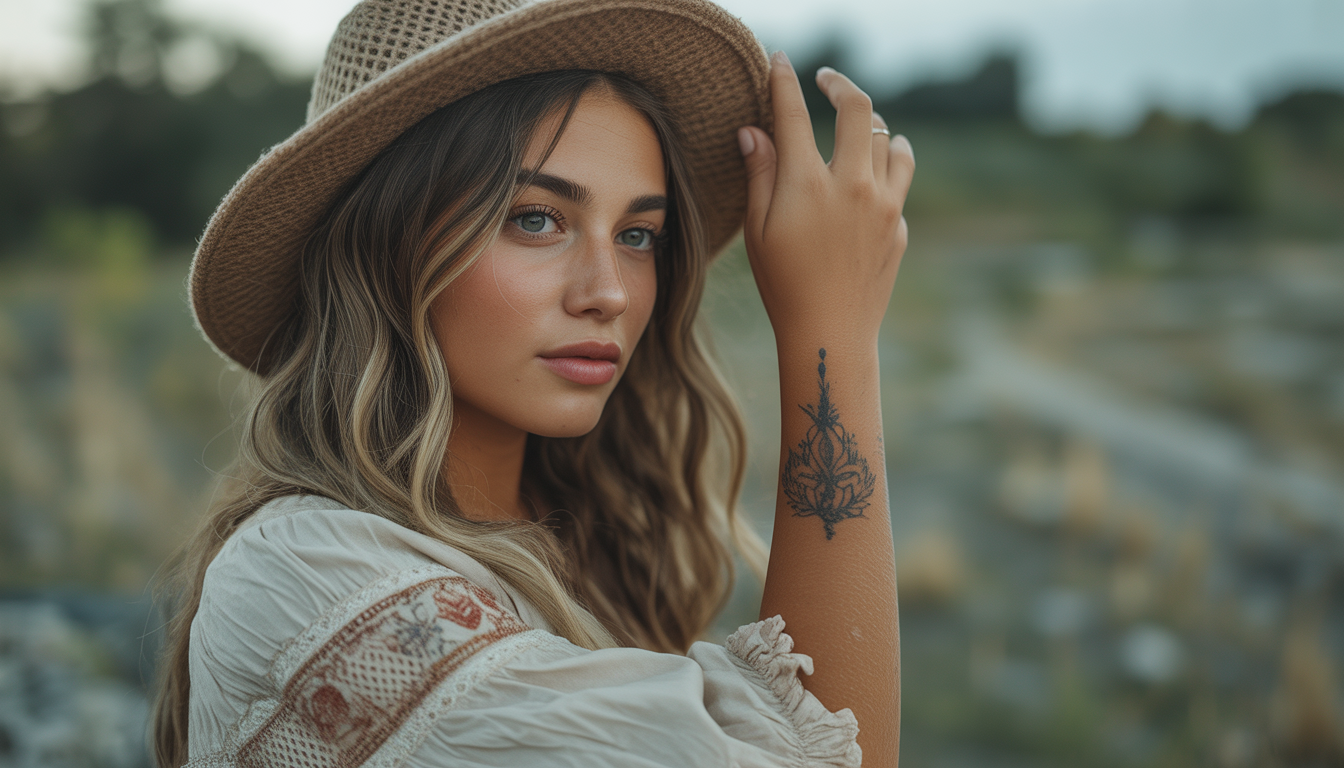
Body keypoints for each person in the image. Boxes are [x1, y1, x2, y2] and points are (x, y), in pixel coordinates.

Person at [151, 0, 913, 765]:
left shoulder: (581, 542)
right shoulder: (309, 573)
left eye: (638, 234)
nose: (609, 291)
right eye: (537, 219)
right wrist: (833, 335)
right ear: (384, 243)